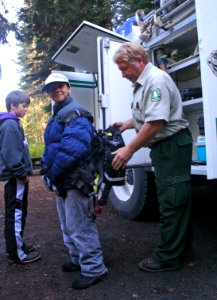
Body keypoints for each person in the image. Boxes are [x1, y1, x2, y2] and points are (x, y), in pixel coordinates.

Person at [112, 42, 193, 272]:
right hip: (168, 147)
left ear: (139, 60)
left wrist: (129, 150)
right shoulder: (143, 82)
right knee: (178, 199)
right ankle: (182, 247)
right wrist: (129, 123)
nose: (123, 74)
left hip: (171, 146)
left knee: (171, 201)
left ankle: (168, 257)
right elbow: (149, 113)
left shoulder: (155, 80)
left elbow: (156, 122)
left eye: (125, 68)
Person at [41, 73, 107, 289]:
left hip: (75, 180)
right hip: (62, 180)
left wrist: (52, 174)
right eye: (51, 88)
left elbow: (72, 150)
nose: (56, 90)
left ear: (68, 88)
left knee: (80, 226)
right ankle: (78, 259)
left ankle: (94, 268)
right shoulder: (56, 114)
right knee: (67, 225)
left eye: (60, 86)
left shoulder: (77, 114)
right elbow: (50, 147)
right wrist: (45, 168)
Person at [0, 90, 41, 264]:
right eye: (24, 106)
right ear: (13, 106)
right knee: (15, 214)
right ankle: (17, 253)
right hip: (15, 178)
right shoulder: (10, 125)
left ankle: (17, 245)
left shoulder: (13, 123)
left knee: (18, 212)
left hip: (16, 178)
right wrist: (22, 174)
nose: (26, 110)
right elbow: (10, 155)